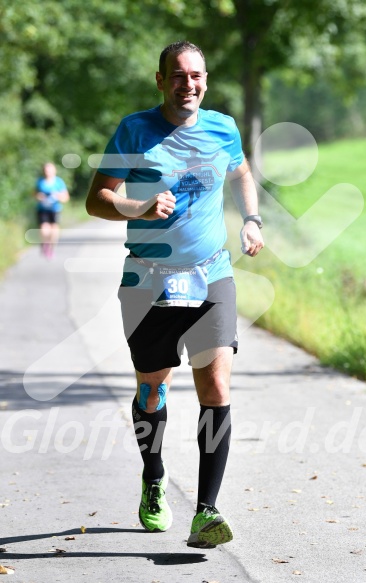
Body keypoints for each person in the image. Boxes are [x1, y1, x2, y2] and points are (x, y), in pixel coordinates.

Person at [86, 41, 264, 549]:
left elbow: (241, 173)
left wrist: (251, 219)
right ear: (160, 80)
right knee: (152, 388)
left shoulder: (222, 127)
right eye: (179, 76)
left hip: (212, 273)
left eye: (198, 76)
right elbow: (96, 199)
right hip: (147, 279)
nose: (190, 84)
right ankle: (154, 476)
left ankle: (207, 510)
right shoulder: (133, 129)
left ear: (206, 80)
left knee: (215, 386)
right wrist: (137, 207)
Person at [34, 162, 70, 258]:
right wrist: (39, 197)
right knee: (44, 229)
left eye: (49, 170)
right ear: (43, 171)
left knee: (54, 230)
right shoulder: (40, 182)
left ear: (54, 171)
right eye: (46, 170)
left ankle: (51, 247)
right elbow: (34, 194)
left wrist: (58, 196)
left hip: (55, 209)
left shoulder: (59, 182)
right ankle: (45, 243)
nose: (47, 172)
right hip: (42, 209)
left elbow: (66, 197)